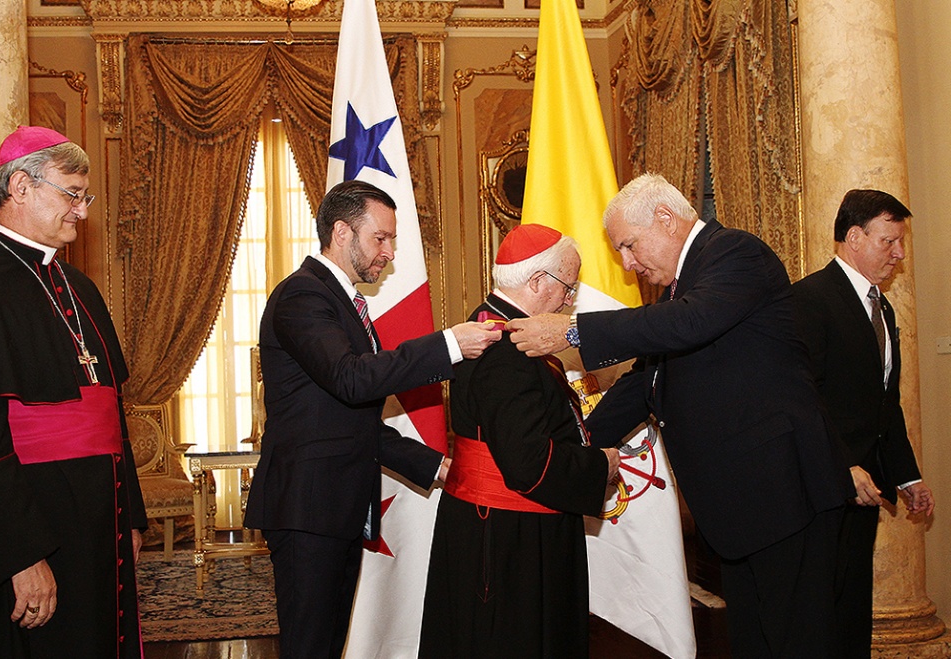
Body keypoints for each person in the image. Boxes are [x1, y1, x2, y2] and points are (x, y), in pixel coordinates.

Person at [505, 173, 854, 658]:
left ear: (666, 219)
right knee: (754, 642)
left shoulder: (734, 253)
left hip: (785, 493)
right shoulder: (681, 288)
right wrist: (569, 448)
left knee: (798, 642)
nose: (627, 265)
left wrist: (573, 331)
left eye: (628, 246)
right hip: (742, 507)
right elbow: (645, 384)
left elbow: (691, 322)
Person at [244, 179, 501, 659]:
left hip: (336, 508)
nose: (389, 253)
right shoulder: (302, 295)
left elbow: (351, 420)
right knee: (308, 648)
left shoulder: (342, 301)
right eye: (380, 238)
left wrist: (437, 466)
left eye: (392, 240)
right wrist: (449, 344)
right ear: (342, 232)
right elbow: (351, 380)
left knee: (326, 646)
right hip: (307, 509)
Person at [0, 126, 146, 658]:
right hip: (26, 528)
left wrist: (130, 516)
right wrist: (21, 556)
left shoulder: (81, 287)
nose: (82, 211)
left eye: (85, 197)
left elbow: (111, 416)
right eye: (73, 194)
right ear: (21, 187)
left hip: (98, 525)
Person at [418, 224, 620, 659]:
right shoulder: (505, 351)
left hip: (499, 525)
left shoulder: (490, 324)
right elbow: (529, 463)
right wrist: (599, 466)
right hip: (511, 536)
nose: (569, 301)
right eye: (568, 287)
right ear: (538, 282)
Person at [791, 189, 935, 658]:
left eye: (900, 242)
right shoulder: (810, 298)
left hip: (866, 486)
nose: (899, 254)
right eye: (888, 241)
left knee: (852, 605)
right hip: (821, 486)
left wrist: (907, 476)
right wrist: (842, 466)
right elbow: (802, 398)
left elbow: (884, 402)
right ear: (854, 238)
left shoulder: (882, 306)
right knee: (819, 609)